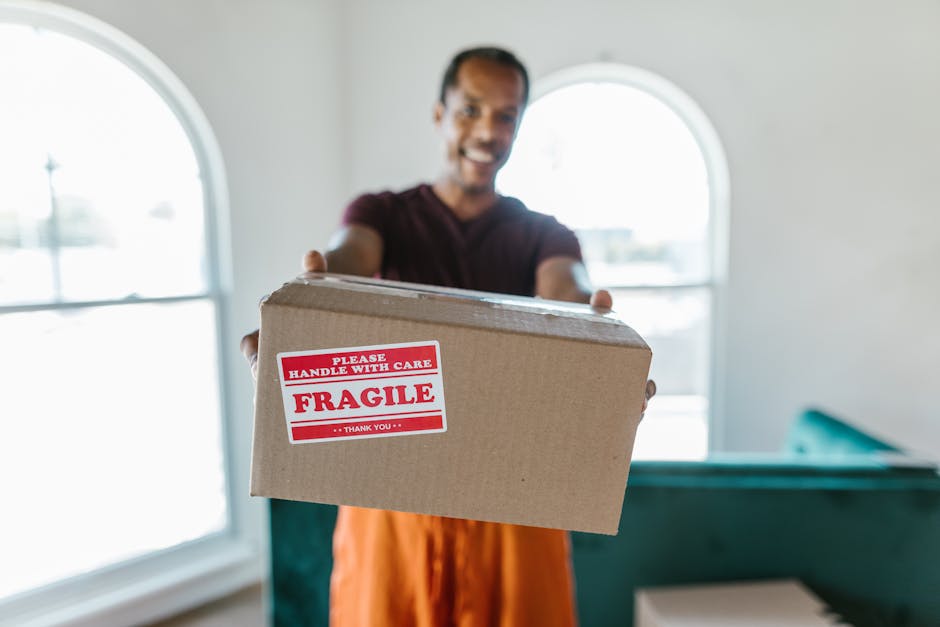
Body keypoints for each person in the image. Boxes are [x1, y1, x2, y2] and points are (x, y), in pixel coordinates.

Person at [242, 46, 655, 627]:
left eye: (506, 116)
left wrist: (600, 339)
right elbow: (349, 258)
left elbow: (566, 288)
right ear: (439, 114)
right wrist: (307, 302)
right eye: (470, 110)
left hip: (514, 499)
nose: (488, 132)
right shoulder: (382, 214)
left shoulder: (544, 234)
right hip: (391, 491)